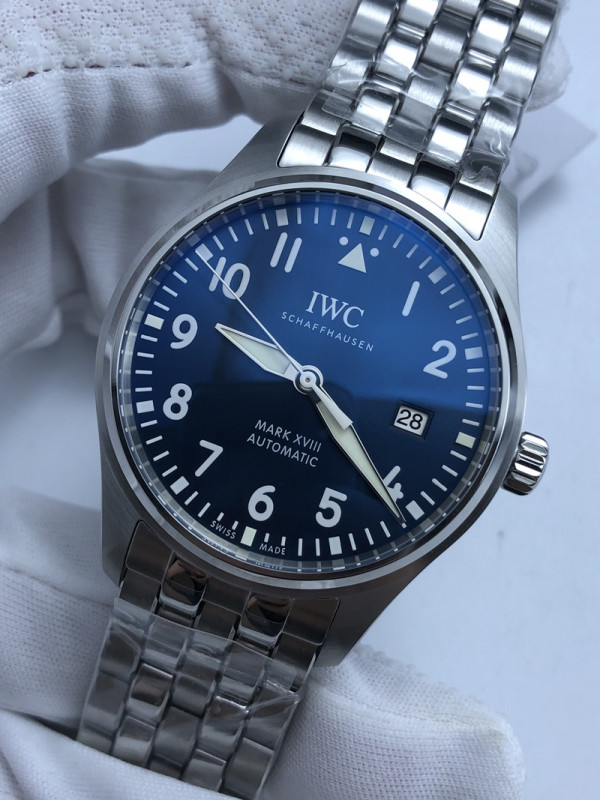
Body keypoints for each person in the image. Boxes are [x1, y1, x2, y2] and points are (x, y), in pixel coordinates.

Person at [0, 2, 567, 798]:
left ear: (509, 457)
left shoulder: (474, 268)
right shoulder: (267, 223)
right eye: (305, 377)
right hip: (183, 519)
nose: (309, 382)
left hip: (277, 559)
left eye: (317, 384)